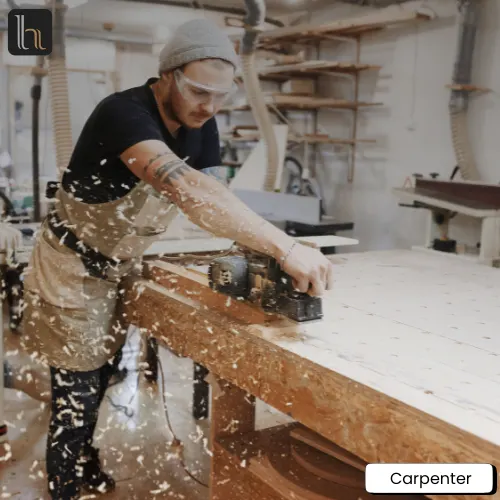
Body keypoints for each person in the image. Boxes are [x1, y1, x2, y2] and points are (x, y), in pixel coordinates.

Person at [19, 18, 334, 499]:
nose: (209, 107)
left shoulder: (201, 126)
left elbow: (215, 199)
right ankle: (63, 484)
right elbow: (188, 189)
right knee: (75, 391)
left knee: (104, 374)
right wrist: (285, 247)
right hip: (72, 266)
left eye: (221, 97)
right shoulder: (123, 113)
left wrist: (260, 252)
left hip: (120, 265)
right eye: (199, 92)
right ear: (167, 76)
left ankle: (85, 459)